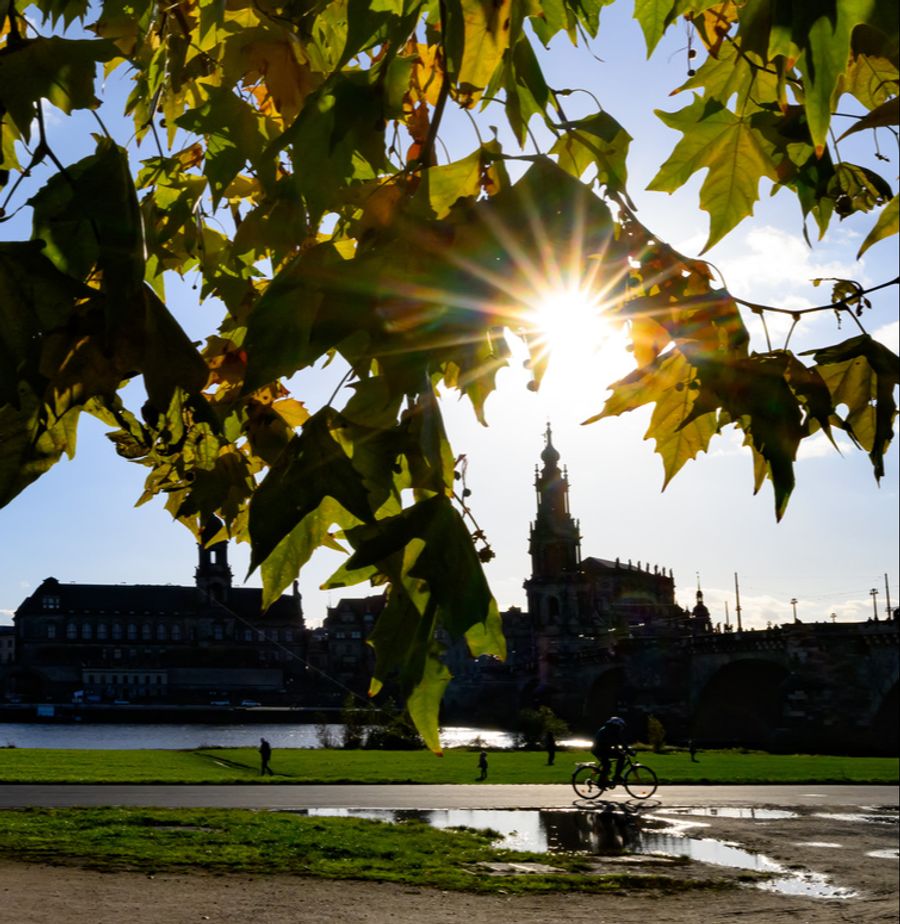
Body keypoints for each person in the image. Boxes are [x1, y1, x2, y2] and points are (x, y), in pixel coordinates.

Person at [591, 716, 627, 786]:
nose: (621, 728)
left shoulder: (609, 729)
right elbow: (619, 741)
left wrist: (620, 749)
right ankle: (602, 782)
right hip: (600, 750)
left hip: (602, 749)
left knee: (619, 757)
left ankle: (610, 778)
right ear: (617, 725)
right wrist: (628, 750)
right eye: (620, 726)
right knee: (608, 764)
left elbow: (616, 742)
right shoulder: (611, 730)